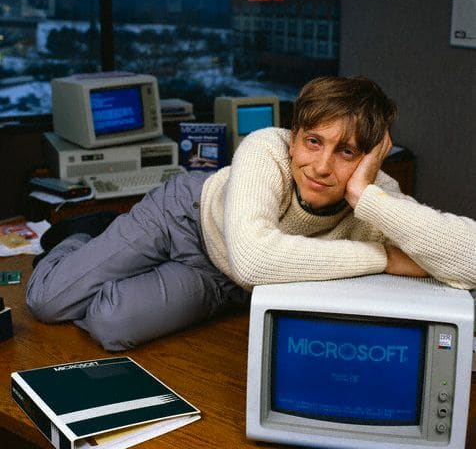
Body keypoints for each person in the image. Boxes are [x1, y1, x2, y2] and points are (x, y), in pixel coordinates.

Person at [26, 76, 476, 351]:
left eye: (347, 152)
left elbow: (471, 258)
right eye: (313, 141)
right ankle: (84, 236)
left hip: (227, 278)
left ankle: (111, 253)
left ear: (371, 159)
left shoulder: (376, 194)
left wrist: (366, 195)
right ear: (294, 134)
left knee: (111, 324)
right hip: (186, 216)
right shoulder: (267, 147)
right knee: (48, 302)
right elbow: (256, 260)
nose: (321, 166)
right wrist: (382, 257)